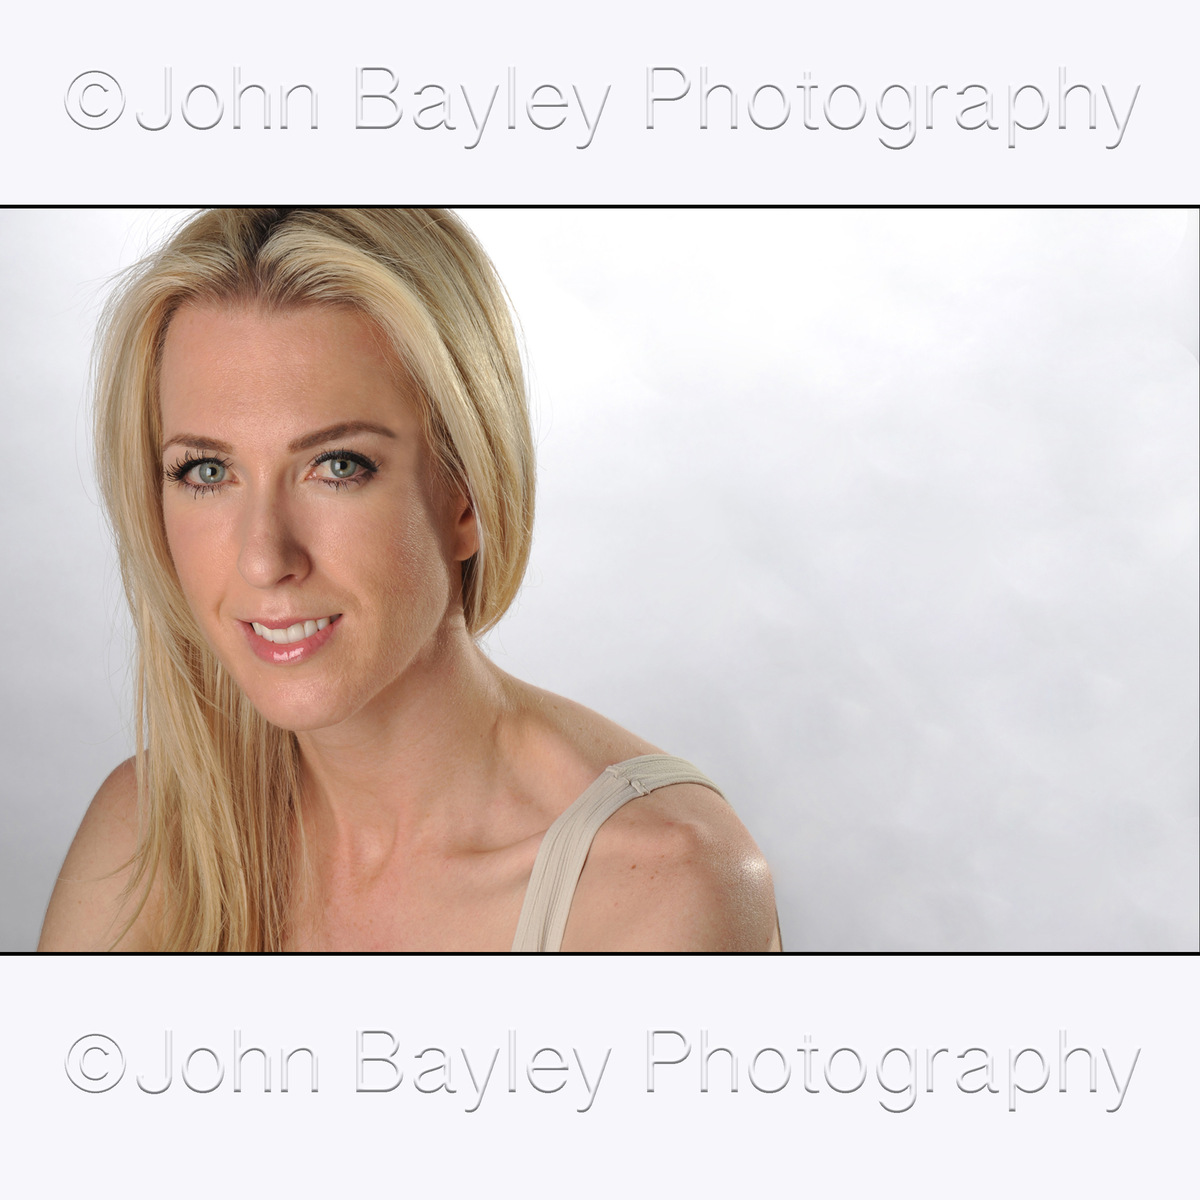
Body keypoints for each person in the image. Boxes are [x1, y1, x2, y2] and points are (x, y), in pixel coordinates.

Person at [37, 208, 780, 952]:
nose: (264, 558)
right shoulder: (143, 836)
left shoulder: (660, 883)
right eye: (206, 471)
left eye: (337, 466)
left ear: (467, 495)